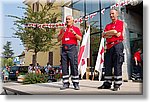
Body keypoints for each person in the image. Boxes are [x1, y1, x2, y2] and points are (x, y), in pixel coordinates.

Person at [98, 8, 124, 91]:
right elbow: (104, 35)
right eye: (110, 14)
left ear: (117, 14)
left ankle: (117, 84)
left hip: (117, 45)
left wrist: (109, 33)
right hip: (109, 47)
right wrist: (111, 33)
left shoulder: (120, 23)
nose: (111, 15)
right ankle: (107, 83)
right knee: (107, 66)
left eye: (113, 13)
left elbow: (117, 33)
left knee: (117, 65)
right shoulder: (107, 25)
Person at [57, 15, 82, 90]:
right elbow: (58, 39)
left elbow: (80, 38)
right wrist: (63, 32)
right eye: (66, 19)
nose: (67, 21)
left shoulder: (76, 29)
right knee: (64, 66)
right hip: (64, 48)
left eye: (69, 19)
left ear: (72, 21)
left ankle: (76, 83)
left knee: (74, 65)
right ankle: (65, 83)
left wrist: (74, 33)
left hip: (72, 48)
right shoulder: (63, 29)